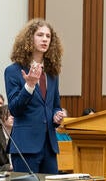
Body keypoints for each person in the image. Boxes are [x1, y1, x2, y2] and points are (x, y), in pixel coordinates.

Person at [4, 18, 66, 174]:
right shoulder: (13, 71)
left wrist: (56, 116)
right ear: (29, 38)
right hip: (25, 146)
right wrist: (29, 86)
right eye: (40, 35)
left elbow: (55, 105)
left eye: (48, 36)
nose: (45, 39)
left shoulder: (52, 73)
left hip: (49, 146)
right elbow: (15, 109)